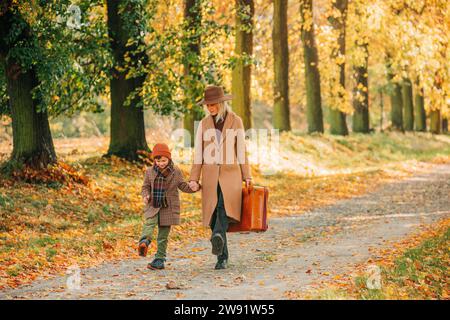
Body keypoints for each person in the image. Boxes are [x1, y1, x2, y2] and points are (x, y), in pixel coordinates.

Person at [188, 85, 252, 270]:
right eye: (208, 105)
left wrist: (247, 175)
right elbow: (198, 153)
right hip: (209, 176)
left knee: (224, 208)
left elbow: (241, 150)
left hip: (231, 174)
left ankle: (217, 236)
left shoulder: (236, 121)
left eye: (214, 104)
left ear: (222, 103)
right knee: (213, 212)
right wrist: (194, 178)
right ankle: (222, 257)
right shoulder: (203, 123)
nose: (210, 108)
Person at [138, 143, 200, 270]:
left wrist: (194, 187)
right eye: (158, 160)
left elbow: (182, 185)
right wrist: (145, 195)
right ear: (154, 160)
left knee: (163, 235)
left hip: (168, 207)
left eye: (164, 160)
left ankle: (159, 260)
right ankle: (144, 242)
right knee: (149, 224)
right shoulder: (149, 171)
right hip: (153, 205)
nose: (161, 163)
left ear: (169, 159)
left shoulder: (175, 171)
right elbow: (145, 187)